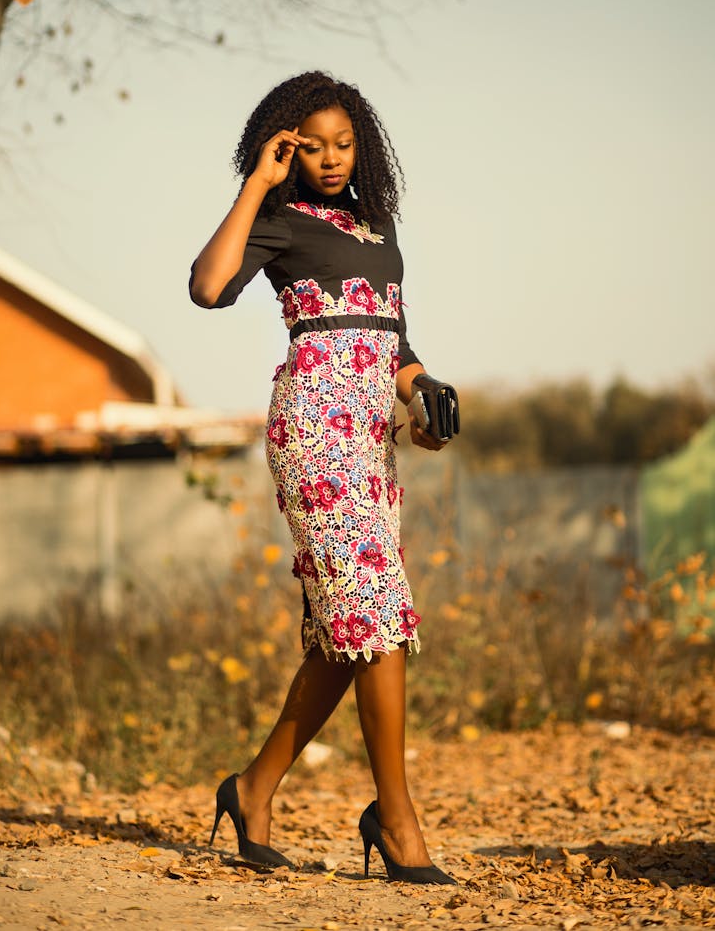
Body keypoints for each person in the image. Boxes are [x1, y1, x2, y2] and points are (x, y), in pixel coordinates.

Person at [189, 71, 456, 885]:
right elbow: (207, 287)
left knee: (349, 633)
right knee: (375, 612)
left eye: (345, 143)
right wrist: (255, 185)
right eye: (313, 144)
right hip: (315, 430)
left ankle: (252, 787)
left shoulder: (379, 227)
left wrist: (423, 395)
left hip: (372, 439)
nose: (332, 157)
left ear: (362, 144)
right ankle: (397, 819)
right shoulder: (278, 219)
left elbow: (396, 347)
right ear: (288, 146)